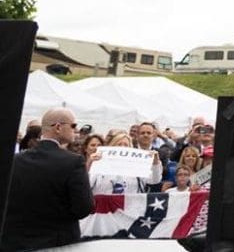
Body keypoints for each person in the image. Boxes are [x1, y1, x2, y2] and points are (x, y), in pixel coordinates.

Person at [1, 108, 94, 251]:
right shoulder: (73, 162)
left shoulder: (16, 160)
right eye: (73, 126)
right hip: (57, 243)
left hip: (14, 242)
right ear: (58, 127)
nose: (76, 130)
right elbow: (83, 208)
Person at [88, 132, 162, 195]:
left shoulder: (137, 166)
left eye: (126, 145)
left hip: (130, 209)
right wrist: (90, 163)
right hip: (103, 209)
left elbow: (154, 180)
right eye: (119, 144)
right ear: (112, 146)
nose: (122, 147)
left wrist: (155, 163)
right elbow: (87, 183)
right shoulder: (100, 165)